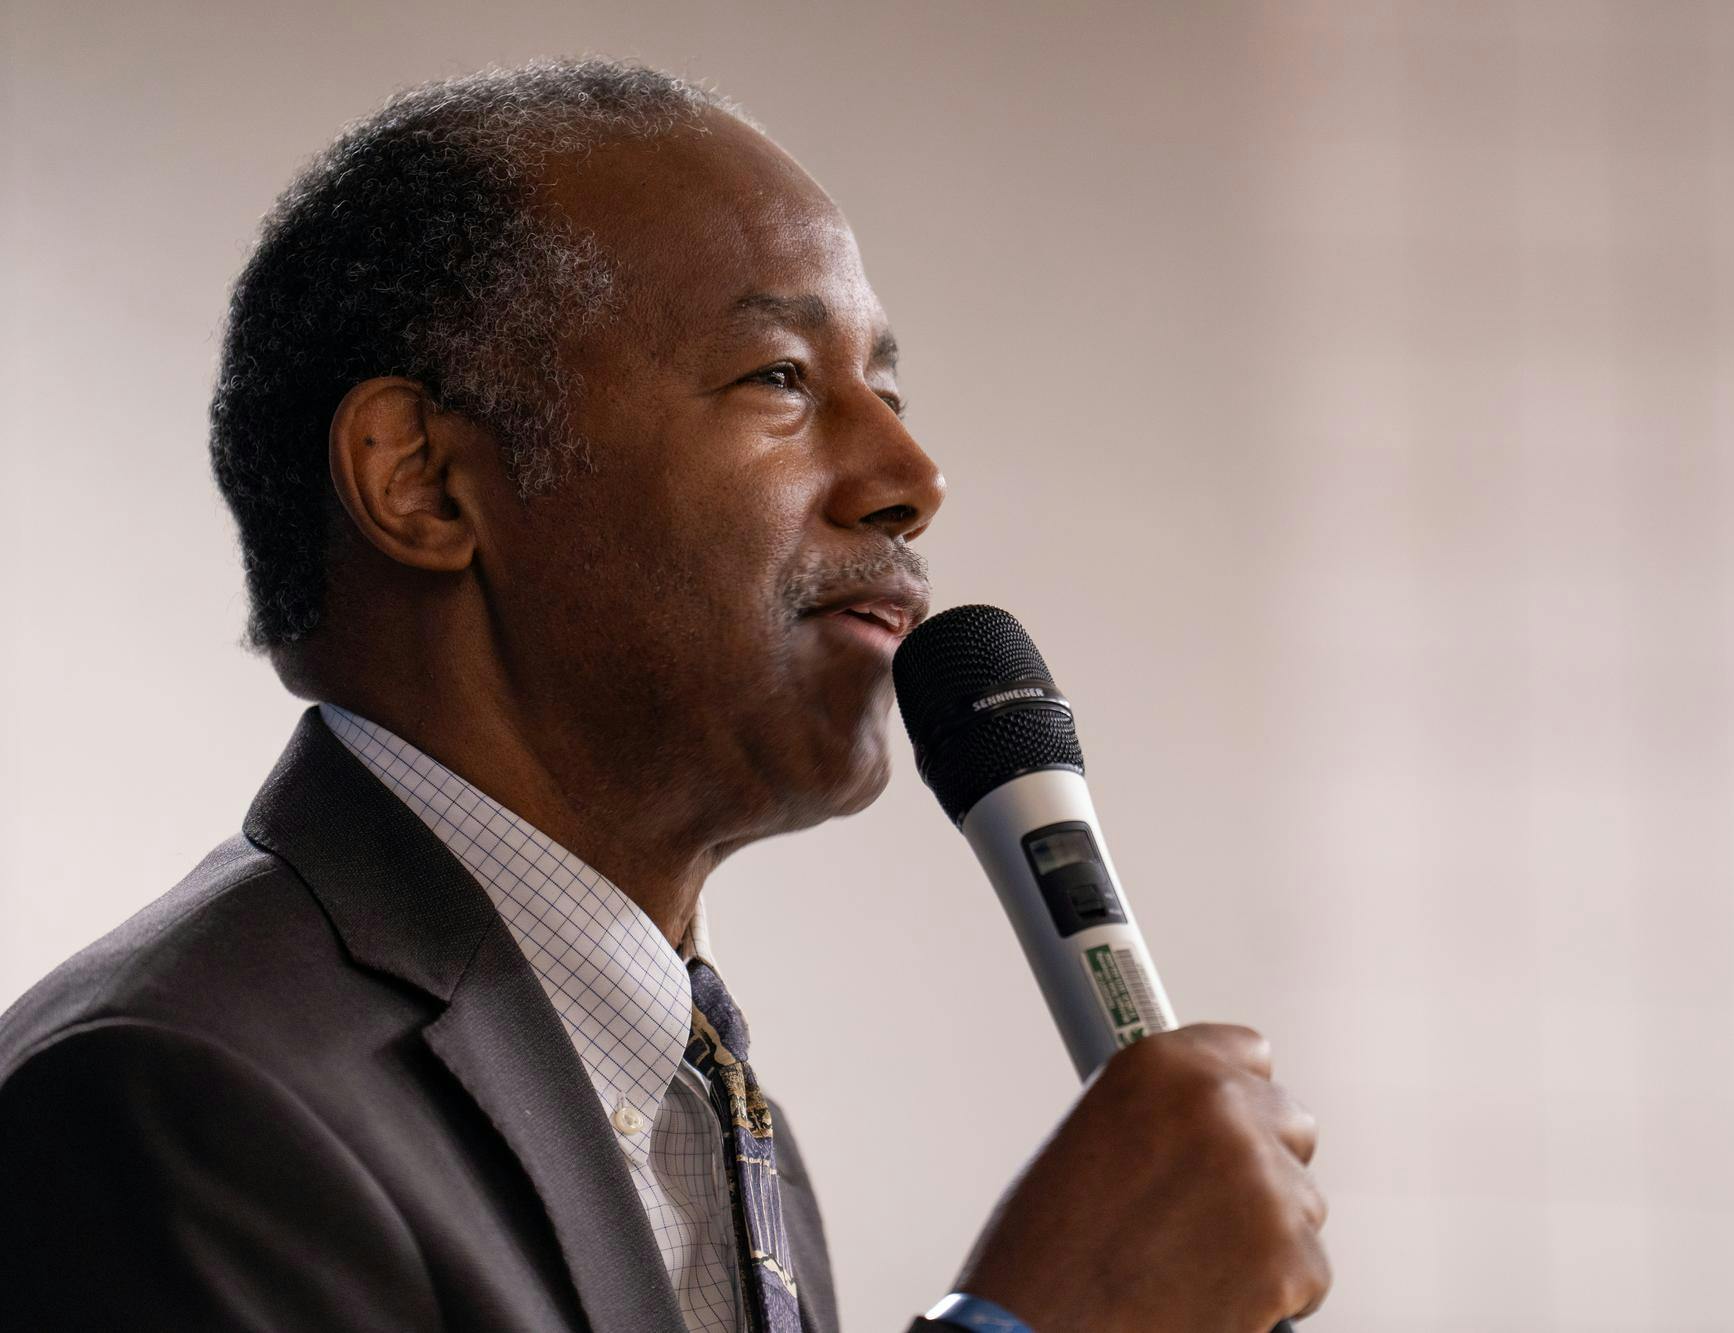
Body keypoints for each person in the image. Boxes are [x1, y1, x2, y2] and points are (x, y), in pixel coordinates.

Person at [0, 59, 1329, 1332]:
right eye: (782, 379)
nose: (913, 473)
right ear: (424, 479)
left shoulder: (700, 1097)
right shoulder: (170, 1097)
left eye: (890, 387)